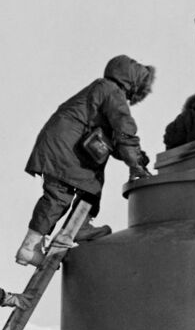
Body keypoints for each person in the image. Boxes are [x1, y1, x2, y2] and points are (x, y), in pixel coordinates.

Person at [17, 55, 156, 267]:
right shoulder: (112, 92)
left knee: (63, 195)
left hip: (60, 145)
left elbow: (115, 140)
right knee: (73, 192)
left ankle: (33, 244)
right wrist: (137, 165)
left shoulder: (101, 88)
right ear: (132, 82)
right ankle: (68, 231)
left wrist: (136, 158)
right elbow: (125, 132)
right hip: (66, 150)